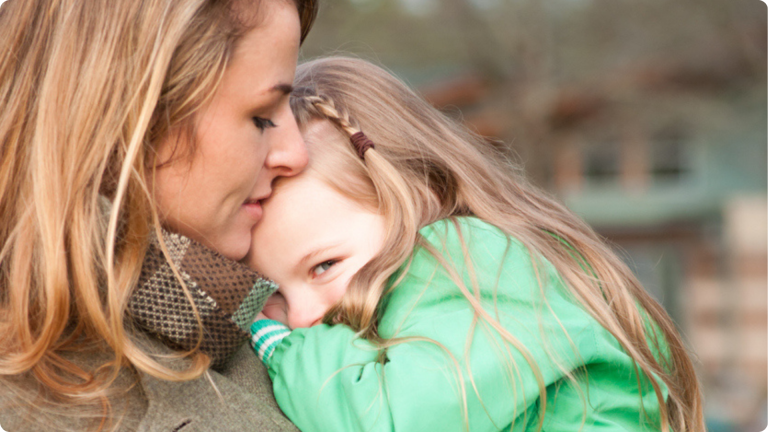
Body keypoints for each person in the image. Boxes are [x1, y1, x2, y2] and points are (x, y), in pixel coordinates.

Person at [246, 57, 706, 432]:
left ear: (417, 196)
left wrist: (284, 350)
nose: (302, 318)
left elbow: (393, 422)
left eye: (323, 266)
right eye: (278, 296)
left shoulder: (465, 259)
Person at [0, 0, 317, 431]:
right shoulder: (29, 404)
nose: (296, 155)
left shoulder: (236, 305)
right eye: (262, 118)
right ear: (127, 115)